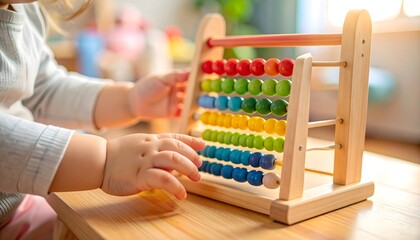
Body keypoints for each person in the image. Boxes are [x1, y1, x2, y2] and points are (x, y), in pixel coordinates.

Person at [0, 1, 204, 239]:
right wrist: (106, 161)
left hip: (22, 205)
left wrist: (128, 100)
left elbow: (43, 90)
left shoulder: (26, 8)